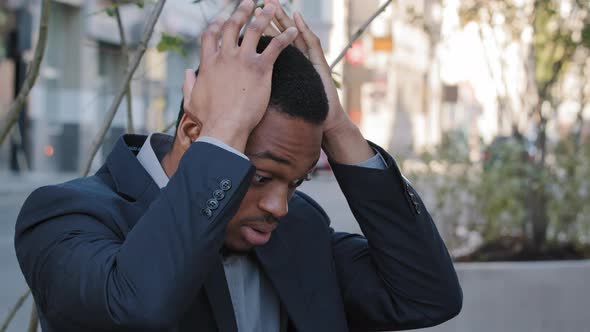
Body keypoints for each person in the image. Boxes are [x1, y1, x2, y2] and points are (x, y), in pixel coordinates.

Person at [15, 1, 462, 331]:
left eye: (295, 182)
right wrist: (225, 130)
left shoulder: (299, 228)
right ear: (195, 134)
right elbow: (134, 308)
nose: (279, 206)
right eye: (262, 176)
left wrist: (338, 126)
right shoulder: (65, 217)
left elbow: (425, 295)